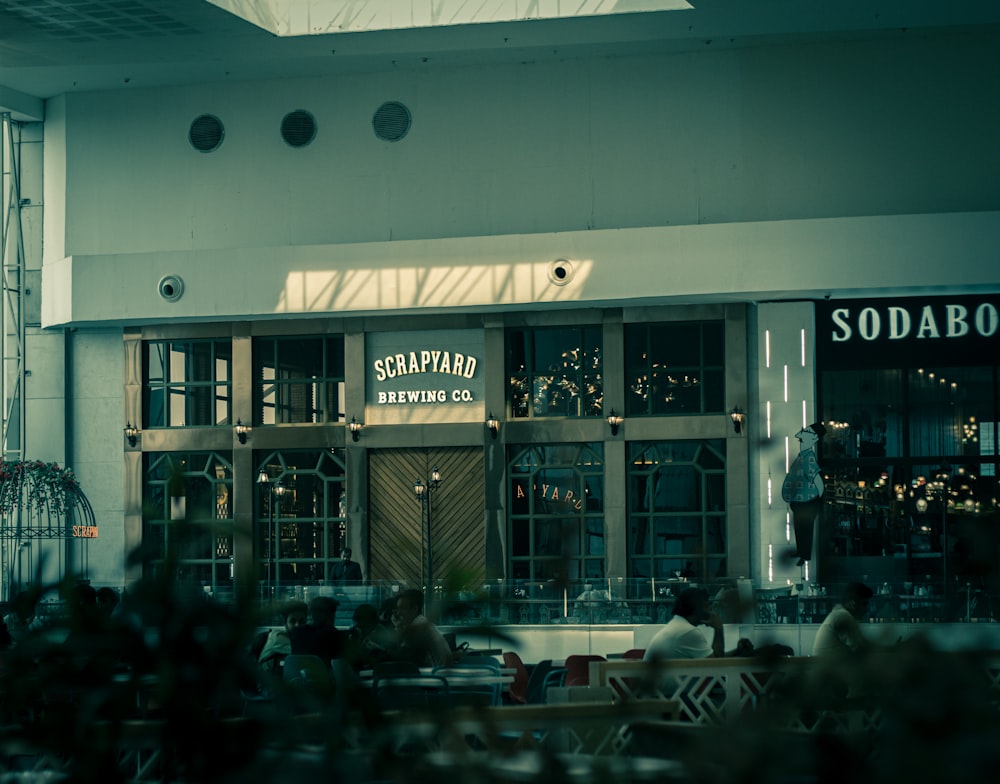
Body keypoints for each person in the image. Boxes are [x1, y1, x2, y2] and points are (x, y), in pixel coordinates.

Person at [781, 422, 827, 565]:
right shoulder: (802, 456)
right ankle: (801, 552)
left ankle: (805, 555)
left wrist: (817, 500)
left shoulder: (808, 458)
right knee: (799, 529)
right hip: (799, 502)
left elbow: (818, 480)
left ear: (814, 438)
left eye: (807, 432)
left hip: (806, 502)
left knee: (805, 529)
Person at [643, 587, 724, 661]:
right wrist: (719, 628)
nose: (711, 609)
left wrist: (735, 652)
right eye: (707, 605)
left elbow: (711, 658)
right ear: (698, 609)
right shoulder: (689, 632)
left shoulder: (679, 625)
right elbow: (716, 664)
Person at [390, 589, 453, 668]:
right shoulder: (421, 622)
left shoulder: (419, 626)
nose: (398, 613)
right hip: (437, 673)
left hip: (434, 675)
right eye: (398, 608)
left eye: (402, 608)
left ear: (415, 609)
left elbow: (402, 655)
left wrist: (398, 627)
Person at [811, 581, 873, 658]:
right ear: (853, 603)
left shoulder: (839, 614)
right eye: (864, 604)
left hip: (827, 667)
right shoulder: (843, 616)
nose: (867, 609)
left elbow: (863, 644)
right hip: (829, 669)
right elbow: (860, 649)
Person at [251, 600, 308, 674]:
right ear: (285, 622)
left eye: (301, 621)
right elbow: (302, 653)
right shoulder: (277, 637)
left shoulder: (298, 637)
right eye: (293, 621)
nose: (297, 625)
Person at [289, 595, 345, 666]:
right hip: (324, 676)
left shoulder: (297, 633)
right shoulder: (336, 636)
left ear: (311, 614)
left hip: (299, 676)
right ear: (331, 615)